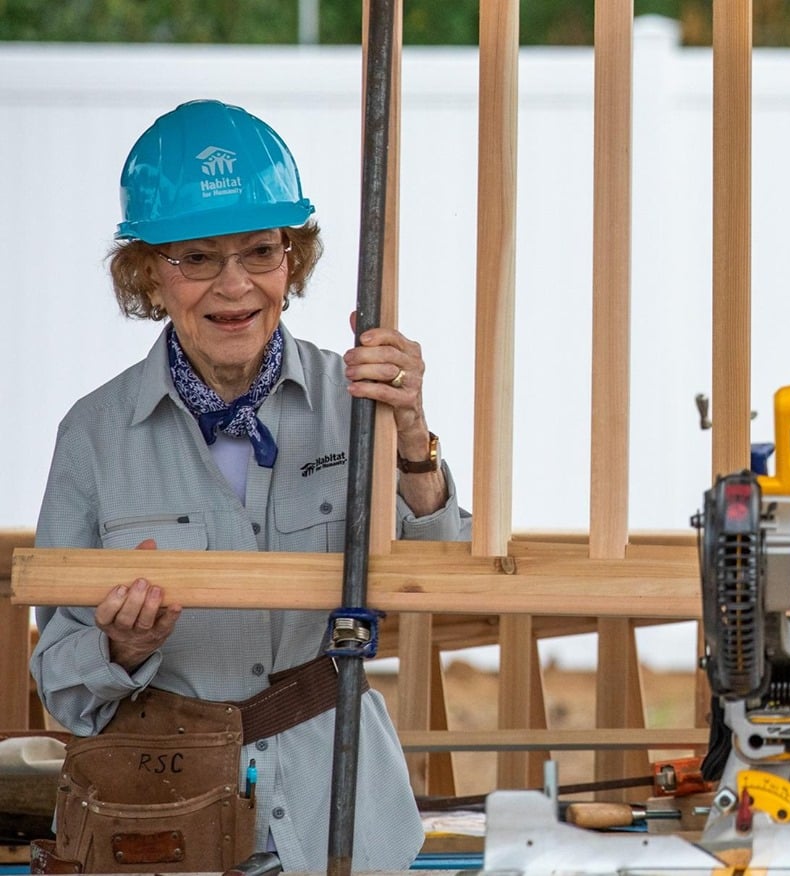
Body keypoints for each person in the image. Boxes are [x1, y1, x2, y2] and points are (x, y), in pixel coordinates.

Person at [29, 99, 471, 873]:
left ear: (291, 261)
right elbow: (61, 683)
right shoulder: (93, 436)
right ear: (147, 274)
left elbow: (450, 579)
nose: (234, 287)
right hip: (163, 825)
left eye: (259, 252)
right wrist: (117, 647)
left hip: (344, 815)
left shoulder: (360, 405)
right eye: (196, 258)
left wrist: (410, 440)